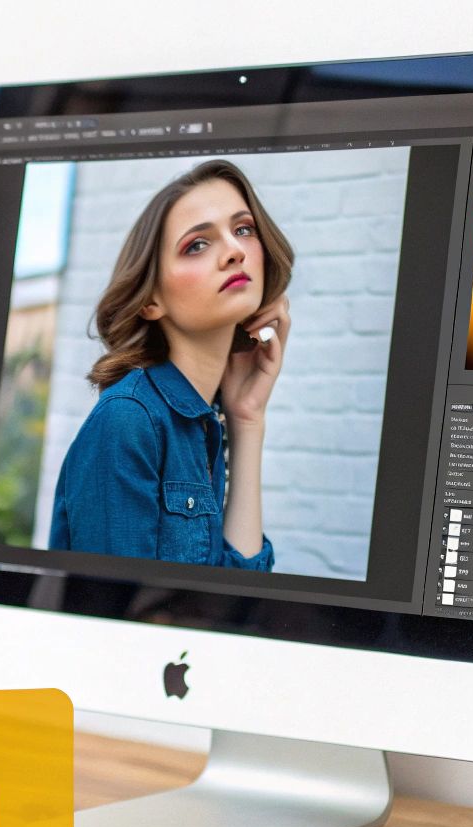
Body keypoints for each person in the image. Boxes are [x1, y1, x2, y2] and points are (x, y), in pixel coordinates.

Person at [48, 159, 292, 570]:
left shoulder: (203, 423)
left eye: (243, 229)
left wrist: (247, 420)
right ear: (150, 300)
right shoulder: (129, 420)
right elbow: (113, 621)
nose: (234, 251)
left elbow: (240, 595)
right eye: (197, 244)